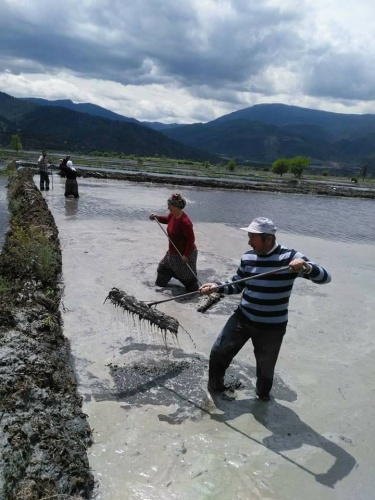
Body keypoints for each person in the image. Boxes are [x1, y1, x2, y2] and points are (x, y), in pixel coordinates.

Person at [199, 217, 332, 401]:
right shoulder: (248, 257)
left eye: (252, 237)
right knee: (218, 352)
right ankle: (215, 390)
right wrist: (216, 286)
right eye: (249, 236)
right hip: (243, 318)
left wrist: (307, 267)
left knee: (265, 370)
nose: (249, 241)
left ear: (268, 239)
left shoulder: (290, 258)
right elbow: (237, 284)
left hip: (271, 327)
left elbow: (326, 278)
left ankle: (261, 400)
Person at [149, 193, 199, 293]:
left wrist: (186, 255)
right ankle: (161, 285)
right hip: (172, 253)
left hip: (183, 254)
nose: (168, 208)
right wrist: (157, 217)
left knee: (188, 279)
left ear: (176, 206)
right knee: (163, 269)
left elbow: (191, 240)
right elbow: (167, 220)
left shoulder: (185, 222)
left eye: (170, 206)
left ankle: (194, 293)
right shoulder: (173, 214)